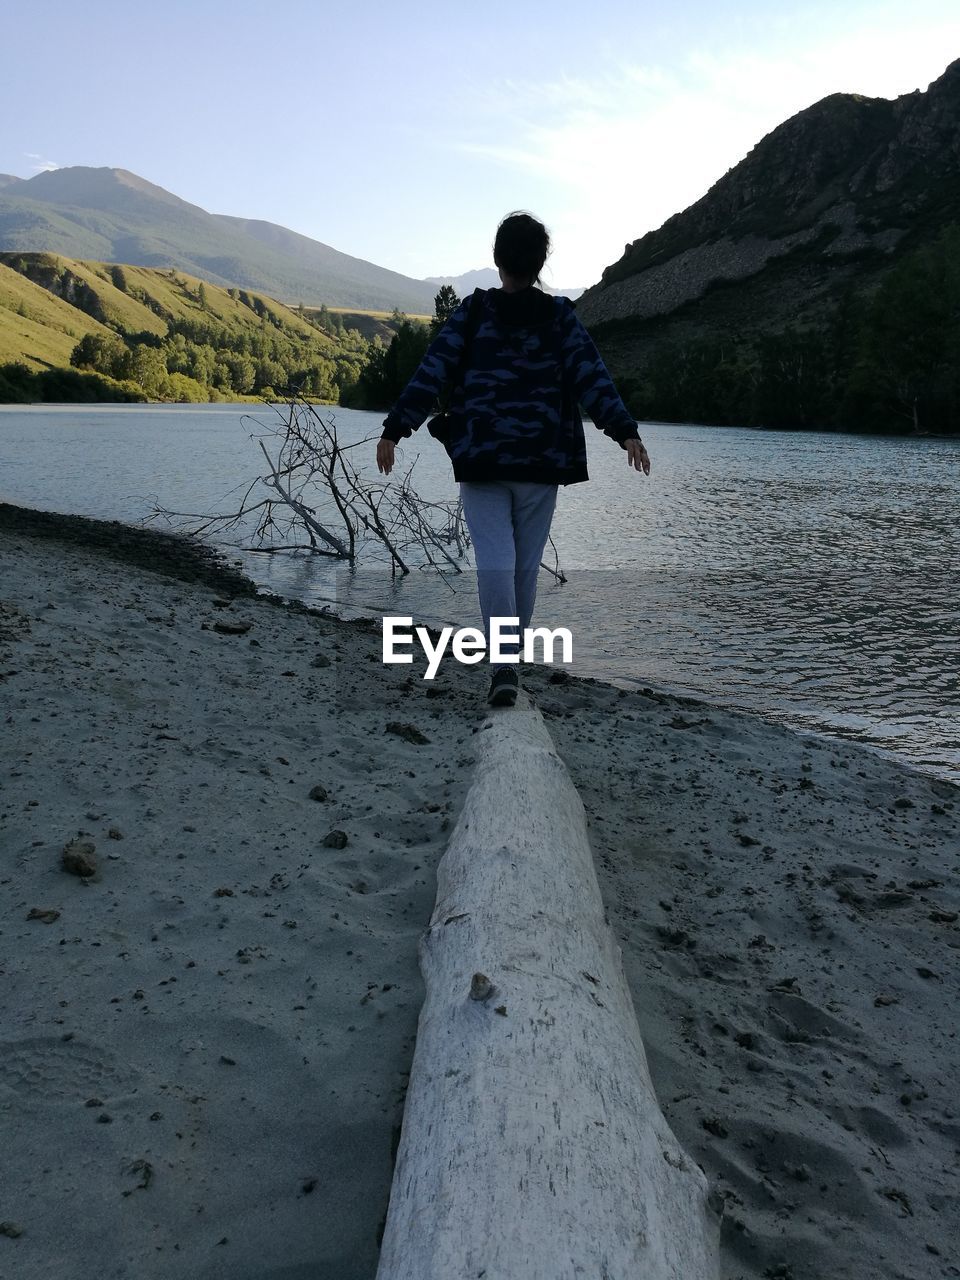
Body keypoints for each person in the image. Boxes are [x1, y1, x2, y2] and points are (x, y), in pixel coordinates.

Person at [377, 211, 650, 708]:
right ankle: (510, 662)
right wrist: (625, 431)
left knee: (497, 565)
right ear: (541, 261)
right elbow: (593, 378)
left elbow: (432, 368)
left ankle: (504, 663)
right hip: (541, 462)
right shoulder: (560, 317)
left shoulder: (474, 312)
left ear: (498, 258)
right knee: (522, 567)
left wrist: (397, 428)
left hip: (482, 458)